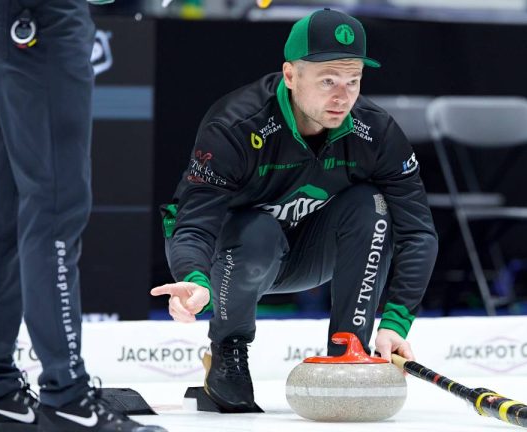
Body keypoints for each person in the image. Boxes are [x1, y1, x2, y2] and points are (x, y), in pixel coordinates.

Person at [150, 8, 438, 413]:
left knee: (371, 205)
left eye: (352, 81)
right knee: (259, 231)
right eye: (327, 81)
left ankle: (348, 350)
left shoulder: (376, 131)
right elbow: (193, 222)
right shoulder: (237, 125)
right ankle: (228, 348)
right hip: (230, 256)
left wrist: (395, 321)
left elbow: (418, 232)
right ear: (290, 76)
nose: (343, 96)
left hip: (306, 253)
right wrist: (194, 277)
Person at [0, 1, 163, 431]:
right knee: (54, 205)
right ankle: (67, 398)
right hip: (37, 14)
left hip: (5, 14)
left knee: (8, 202)